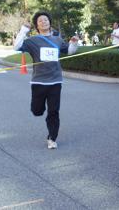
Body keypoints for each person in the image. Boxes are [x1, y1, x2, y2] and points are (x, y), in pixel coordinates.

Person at [14, 12, 78, 149]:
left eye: (46, 19)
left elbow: (70, 51)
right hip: (39, 82)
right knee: (37, 111)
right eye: (40, 21)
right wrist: (24, 30)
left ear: (50, 22)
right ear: (37, 25)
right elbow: (16, 47)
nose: (44, 22)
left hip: (55, 81)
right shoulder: (33, 41)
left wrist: (74, 43)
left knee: (54, 111)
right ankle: (38, 110)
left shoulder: (57, 39)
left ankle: (52, 138)